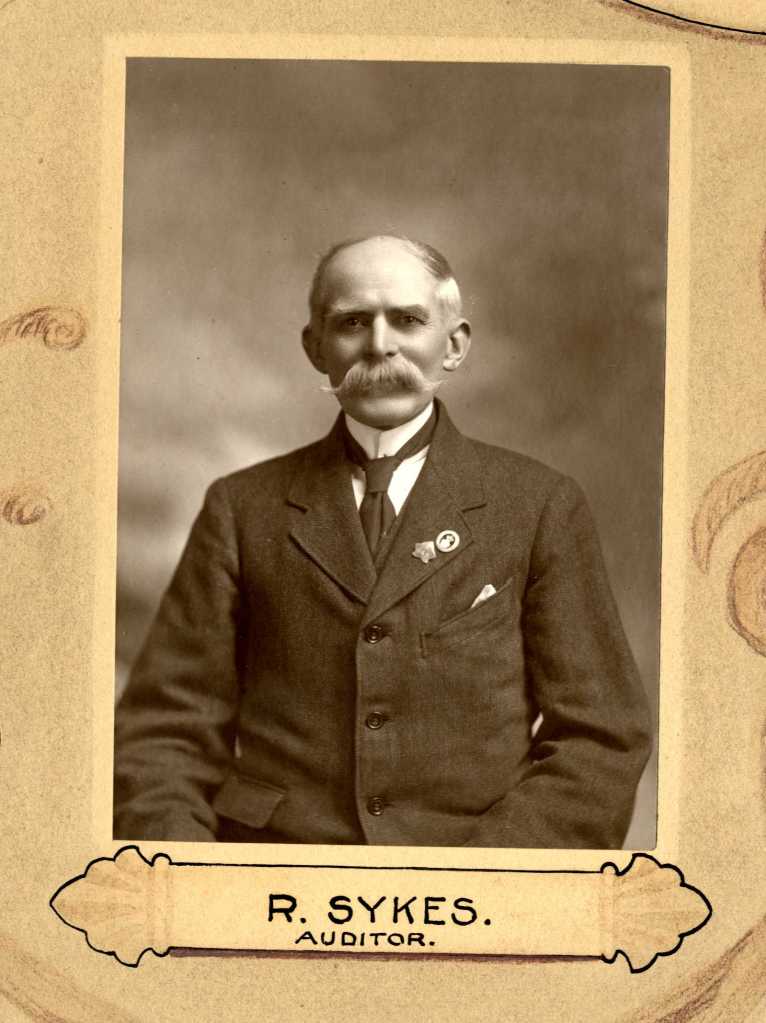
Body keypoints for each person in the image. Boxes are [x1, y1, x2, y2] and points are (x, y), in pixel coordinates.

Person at [114, 234, 652, 848]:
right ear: (315, 348)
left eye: (407, 319)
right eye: (351, 322)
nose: (379, 344)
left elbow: (601, 736)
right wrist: (193, 883)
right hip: (273, 879)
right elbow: (163, 733)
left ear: (453, 345)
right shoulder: (242, 507)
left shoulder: (537, 505)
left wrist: (495, 885)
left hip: (469, 888)